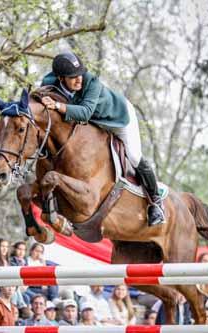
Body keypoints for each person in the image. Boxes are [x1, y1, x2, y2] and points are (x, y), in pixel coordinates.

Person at [40, 51, 165, 226]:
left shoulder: (92, 83)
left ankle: (156, 203)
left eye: (80, 74)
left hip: (118, 118)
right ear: (60, 78)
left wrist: (58, 105)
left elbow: (84, 113)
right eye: (72, 77)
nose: (79, 80)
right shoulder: (49, 82)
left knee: (134, 156)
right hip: (93, 122)